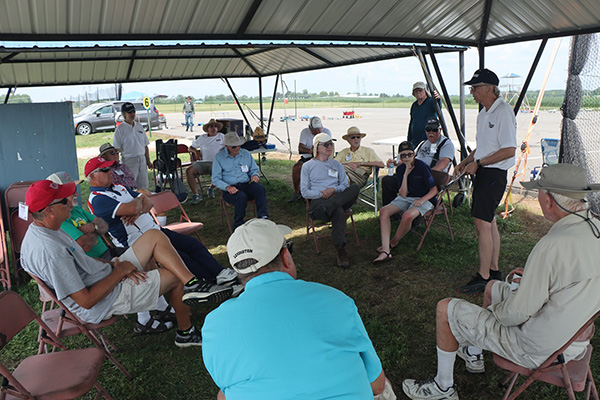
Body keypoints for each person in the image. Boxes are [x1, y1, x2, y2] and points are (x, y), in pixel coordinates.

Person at [402, 163, 600, 400]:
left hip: (537, 348)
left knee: (446, 308)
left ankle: (443, 387)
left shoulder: (553, 245)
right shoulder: (595, 228)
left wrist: (496, 313)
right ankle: (474, 353)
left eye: (538, 191)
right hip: (572, 341)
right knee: (492, 287)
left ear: (548, 200)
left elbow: (516, 314)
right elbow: (574, 279)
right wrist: (535, 278)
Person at [20, 179, 231, 348]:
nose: (71, 202)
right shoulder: (50, 251)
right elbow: (86, 301)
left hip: (106, 275)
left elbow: (81, 258)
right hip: (103, 298)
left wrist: (112, 266)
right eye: (64, 201)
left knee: (153, 235)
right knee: (174, 276)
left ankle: (193, 284)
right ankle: (186, 333)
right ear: (48, 210)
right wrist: (119, 272)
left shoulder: (46, 229)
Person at [202, 218, 396, 400]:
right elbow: (376, 385)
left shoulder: (214, 325)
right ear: (286, 257)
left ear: (238, 272)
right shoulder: (336, 300)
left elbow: (227, 390)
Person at [85, 156, 239, 297]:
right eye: (105, 170)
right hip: (136, 243)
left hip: (155, 231)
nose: (110, 172)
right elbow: (137, 204)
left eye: (110, 168)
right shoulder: (98, 199)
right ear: (92, 176)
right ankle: (212, 283)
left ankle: (221, 274)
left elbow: (150, 202)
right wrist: (138, 204)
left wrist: (137, 208)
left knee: (192, 245)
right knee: (181, 256)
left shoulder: (118, 187)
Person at [46, 170, 176, 335]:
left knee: (148, 254)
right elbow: (84, 246)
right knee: (139, 263)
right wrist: (94, 230)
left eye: (74, 189)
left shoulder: (76, 211)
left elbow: (103, 226)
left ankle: (161, 306)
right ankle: (144, 319)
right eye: (69, 192)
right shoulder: (61, 221)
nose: (75, 194)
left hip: (108, 251)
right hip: (97, 262)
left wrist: (90, 229)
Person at [453, 68, 517, 294]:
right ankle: (494, 270)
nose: (472, 92)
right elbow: (484, 148)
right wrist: (465, 161)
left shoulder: (503, 112)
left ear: (490, 88)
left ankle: (484, 276)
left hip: (493, 174)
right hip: (483, 171)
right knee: (489, 222)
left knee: (482, 224)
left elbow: (509, 150)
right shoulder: (484, 113)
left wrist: (478, 164)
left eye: (475, 88)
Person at [300, 133, 359, 269]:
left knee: (354, 188)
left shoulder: (336, 164)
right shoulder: (307, 166)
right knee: (338, 210)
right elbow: (304, 192)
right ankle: (341, 250)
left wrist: (333, 190)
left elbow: (344, 185)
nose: (329, 147)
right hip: (319, 201)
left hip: (335, 198)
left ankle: (329, 206)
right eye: (326, 144)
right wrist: (321, 193)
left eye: (331, 144)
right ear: (317, 147)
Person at [373, 141, 438, 263]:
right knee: (383, 211)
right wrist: (406, 175)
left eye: (409, 154)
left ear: (414, 154)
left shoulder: (422, 167)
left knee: (407, 215)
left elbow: (434, 189)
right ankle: (385, 250)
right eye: (403, 155)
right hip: (407, 197)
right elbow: (402, 194)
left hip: (425, 197)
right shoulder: (401, 168)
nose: (407, 157)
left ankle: (393, 242)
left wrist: (422, 200)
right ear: (400, 157)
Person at [382, 117, 455, 207]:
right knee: (387, 180)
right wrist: (395, 162)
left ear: (440, 129)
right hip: (411, 172)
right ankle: (392, 210)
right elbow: (410, 157)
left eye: (434, 130)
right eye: (428, 129)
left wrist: (425, 173)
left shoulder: (446, 144)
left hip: (426, 176)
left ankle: (408, 208)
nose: (431, 132)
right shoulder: (423, 143)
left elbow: (443, 163)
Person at [212, 132, 269, 230]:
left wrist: (255, 176)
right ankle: (238, 224)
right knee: (241, 196)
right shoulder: (219, 157)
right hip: (229, 188)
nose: (237, 148)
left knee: (260, 189)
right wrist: (227, 187)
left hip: (245, 184)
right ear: (227, 146)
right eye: (234, 147)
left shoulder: (245, 153)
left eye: (239, 146)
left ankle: (263, 217)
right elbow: (215, 179)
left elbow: (254, 169)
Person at [288, 116, 332, 202]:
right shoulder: (305, 132)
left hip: (322, 158)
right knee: (297, 168)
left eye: (319, 129)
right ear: (310, 127)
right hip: (308, 157)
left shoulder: (326, 132)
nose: (318, 131)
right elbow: (300, 148)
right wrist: (310, 150)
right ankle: (297, 192)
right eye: (315, 129)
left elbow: (329, 148)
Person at [113, 102, 152, 189]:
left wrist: (148, 161)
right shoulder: (120, 129)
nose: (132, 114)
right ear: (124, 114)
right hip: (128, 161)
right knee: (130, 186)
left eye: (133, 111)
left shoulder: (139, 126)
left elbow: (145, 145)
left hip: (142, 159)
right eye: (129, 112)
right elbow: (116, 148)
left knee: (143, 185)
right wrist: (117, 164)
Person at [186, 119, 225, 205]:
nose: (213, 128)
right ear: (208, 129)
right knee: (189, 171)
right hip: (203, 162)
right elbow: (190, 148)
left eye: (215, 126)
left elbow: (229, 146)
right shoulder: (202, 138)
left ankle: (211, 188)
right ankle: (196, 195)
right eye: (211, 126)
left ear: (218, 129)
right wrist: (196, 152)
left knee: (221, 172)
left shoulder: (221, 136)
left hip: (216, 162)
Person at [407, 82, 441, 148]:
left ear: (425, 91)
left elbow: (438, 107)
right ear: (413, 93)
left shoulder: (431, 102)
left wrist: (437, 99)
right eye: (416, 91)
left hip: (430, 139)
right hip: (415, 140)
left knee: (431, 156)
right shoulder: (414, 105)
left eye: (420, 90)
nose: (418, 92)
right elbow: (411, 122)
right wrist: (409, 139)